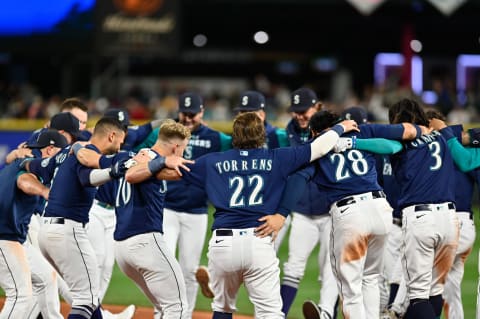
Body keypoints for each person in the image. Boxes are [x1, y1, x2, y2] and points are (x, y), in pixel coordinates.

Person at [179, 111, 359, 318]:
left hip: (223, 244)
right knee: (271, 313)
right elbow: (318, 147)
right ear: (262, 134)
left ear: (234, 135)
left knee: (222, 308)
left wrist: (153, 160)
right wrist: (341, 127)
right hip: (259, 240)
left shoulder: (210, 162)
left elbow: (175, 168)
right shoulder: (278, 157)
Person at [278, 108, 424, 319]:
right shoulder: (361, 132)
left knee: (350, 288)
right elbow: (401, 140)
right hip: (380, 209)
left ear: (314, 133)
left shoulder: (317, 149)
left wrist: (281, 212)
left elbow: (297, 181)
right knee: (371, 278)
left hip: (350, 214)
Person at [76, 119, 194, 319]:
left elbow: (87, 155)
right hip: (145, 240)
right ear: (176, 147)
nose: (183, 153)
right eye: (184, 148)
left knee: (165, 307)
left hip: (123, 248)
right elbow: (131, 175)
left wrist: (77, 147)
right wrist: (162, 161)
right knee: (179, 307)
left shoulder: (128, 156)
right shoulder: (150, 161)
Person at [37, 117, 127, 319]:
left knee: (88, 297)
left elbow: (35, 166)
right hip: (67, 229)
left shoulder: (72, 153)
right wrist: (113, 172)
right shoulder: (88, 153)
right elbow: (88, 179)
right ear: (112, 136)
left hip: (48, 229)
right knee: (86, 299)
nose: (120, 147)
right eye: (120, 141)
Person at [388, 98, 459, 319]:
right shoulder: (444, 137)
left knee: (417, 295)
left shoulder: (401, 141)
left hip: (421, 218)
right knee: (434, 290)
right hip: (449, 219)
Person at [279, 90, 338, 319]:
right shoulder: (290, 130)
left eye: (303, 111)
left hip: (330, 211)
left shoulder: (333, 129)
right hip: (303, 211)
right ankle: (280, 314)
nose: (299, 116)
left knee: (330, 270)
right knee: (293, 266)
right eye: (295, 111)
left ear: (317, 107)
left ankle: (327, 314)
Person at [0, 129, 67, 318]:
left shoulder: (23, 158)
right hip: (4, 238)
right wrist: (43, 191)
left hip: (12, 238)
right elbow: (24, 181)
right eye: (61, 152)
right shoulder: (31, 164)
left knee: (47, 277)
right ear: (50, 150)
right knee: (21, 295)